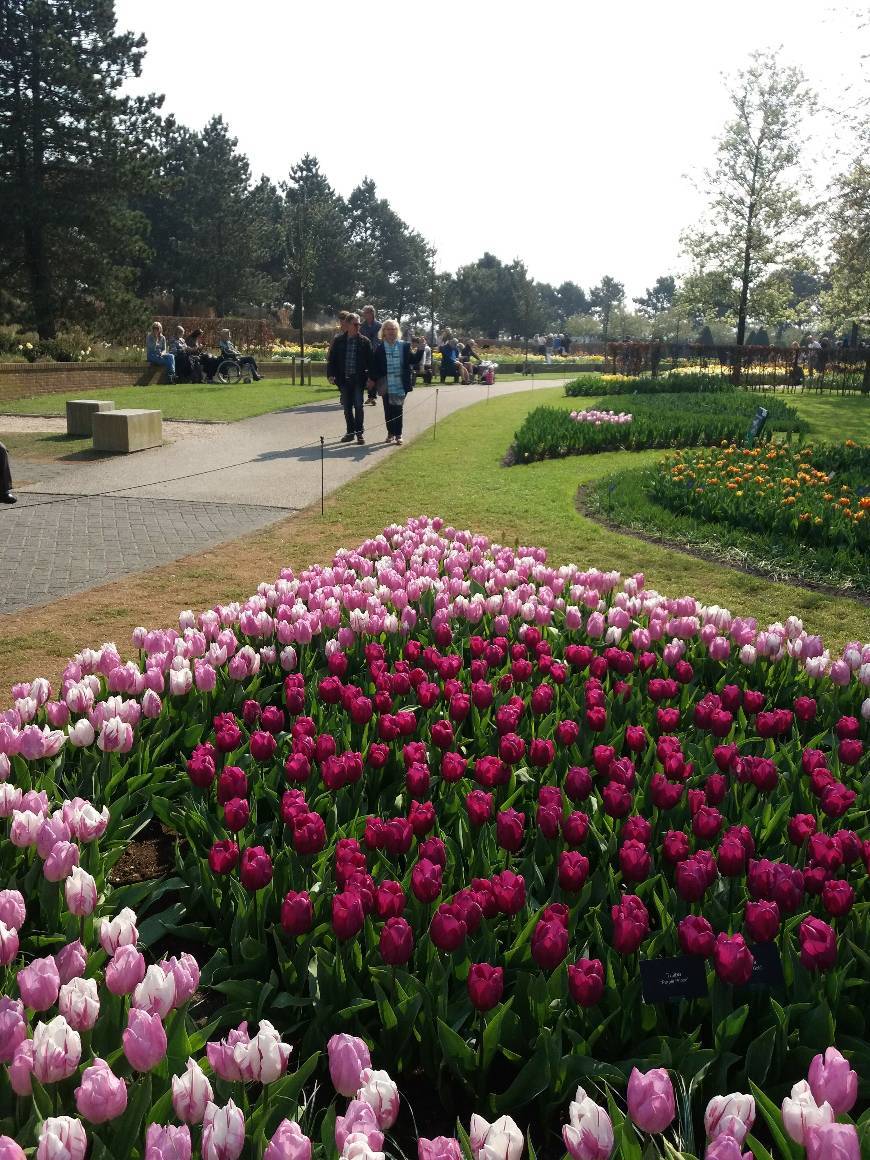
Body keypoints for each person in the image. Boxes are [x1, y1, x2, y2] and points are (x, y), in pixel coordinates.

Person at [326, 312, 373, 445]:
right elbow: (332, 360)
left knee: (358, 406)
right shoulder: (339, 341)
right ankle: (350, 432)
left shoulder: (365, 342)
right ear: (347, 324)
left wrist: (371, 378)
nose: (358, 326)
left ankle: (359, 433)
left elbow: (371, 362)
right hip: (344, 379)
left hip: (358, 379)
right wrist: (330, 374)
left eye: (359, 324)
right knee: (347, 408)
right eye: (355, 324)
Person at [369, 318, 412, 445]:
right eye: (388, 329)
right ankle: (390, 433)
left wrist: (420, 349)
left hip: (400, 383)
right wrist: (372, 379)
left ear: (397, 331)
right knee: (388, 409)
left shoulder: (404, 346)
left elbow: (413, 360)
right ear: (384, 332)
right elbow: (375, 366)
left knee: (398, 409)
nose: (391, 331)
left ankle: (398, 434)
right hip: (385, 383)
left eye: (393, 329)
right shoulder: (379, 348)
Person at [360, 306, 381, 405]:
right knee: (367, 374)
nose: (364, 314)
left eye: (365, 312)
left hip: (376, 353)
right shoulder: (361, 326)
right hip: (365, 353)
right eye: (363, 312)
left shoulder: (379, 326)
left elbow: (382, 339)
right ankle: (370, 396)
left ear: (372, 313)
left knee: (374, 374)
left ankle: (372, 396)